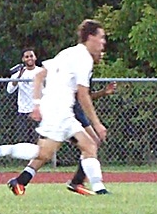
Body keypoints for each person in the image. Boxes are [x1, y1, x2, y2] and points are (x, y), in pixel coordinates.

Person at [7, 19, 109, 196]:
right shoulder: (84, 58)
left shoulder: (68, 52)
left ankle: (21, 180)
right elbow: (83, 95)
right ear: (91, 37)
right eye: (101, 38)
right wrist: (97, 124)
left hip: (60, 110)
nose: (103, 42)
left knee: (84, 146)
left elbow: (40, 75)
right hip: (60, 111)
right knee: (46, 151)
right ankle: (0, 151)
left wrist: (38, 104)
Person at [66, 81, 117, 195]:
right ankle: (88, 184)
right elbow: (81, 96)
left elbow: (84, 96)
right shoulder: (80, 67)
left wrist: (103, 92)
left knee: (92, 143)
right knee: (92, 143)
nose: (101, 61)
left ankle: (78, 182)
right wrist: (96, 123)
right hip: (68, 111)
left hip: (75, 110)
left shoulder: (87, 70)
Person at [6, 48, 44, 143]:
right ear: (23, 59)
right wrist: (19, 77)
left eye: (31, 56)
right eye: (26, 57)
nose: (29, 58)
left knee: (38, 140)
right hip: (23, 111)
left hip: (38, 111)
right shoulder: (18, 73)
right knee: (23, 141)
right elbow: (10, 90)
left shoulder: (41, 72)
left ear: (35, 57)